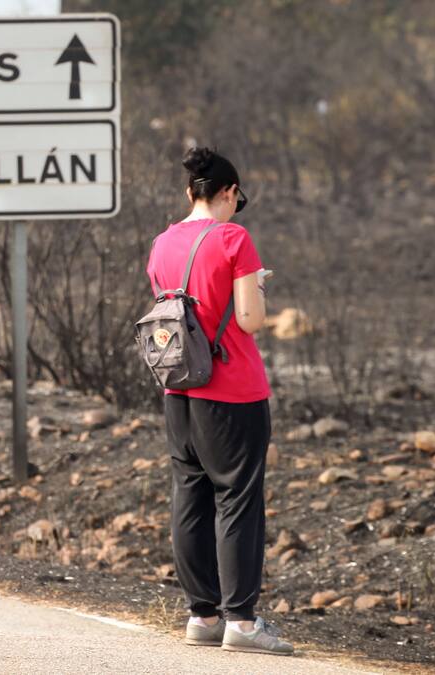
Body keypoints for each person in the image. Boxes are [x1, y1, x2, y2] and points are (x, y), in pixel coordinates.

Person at [146, 147, 290, 655]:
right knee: (238, 499)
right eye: (237, 198)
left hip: (178, 386)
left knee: (190, 494)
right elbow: (250, 320)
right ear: (228, 192)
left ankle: (202, 616)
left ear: (191, 191)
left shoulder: (162, 243)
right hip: (231, 389)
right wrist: (257, 286)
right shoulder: (234, 238)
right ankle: (243, 624)